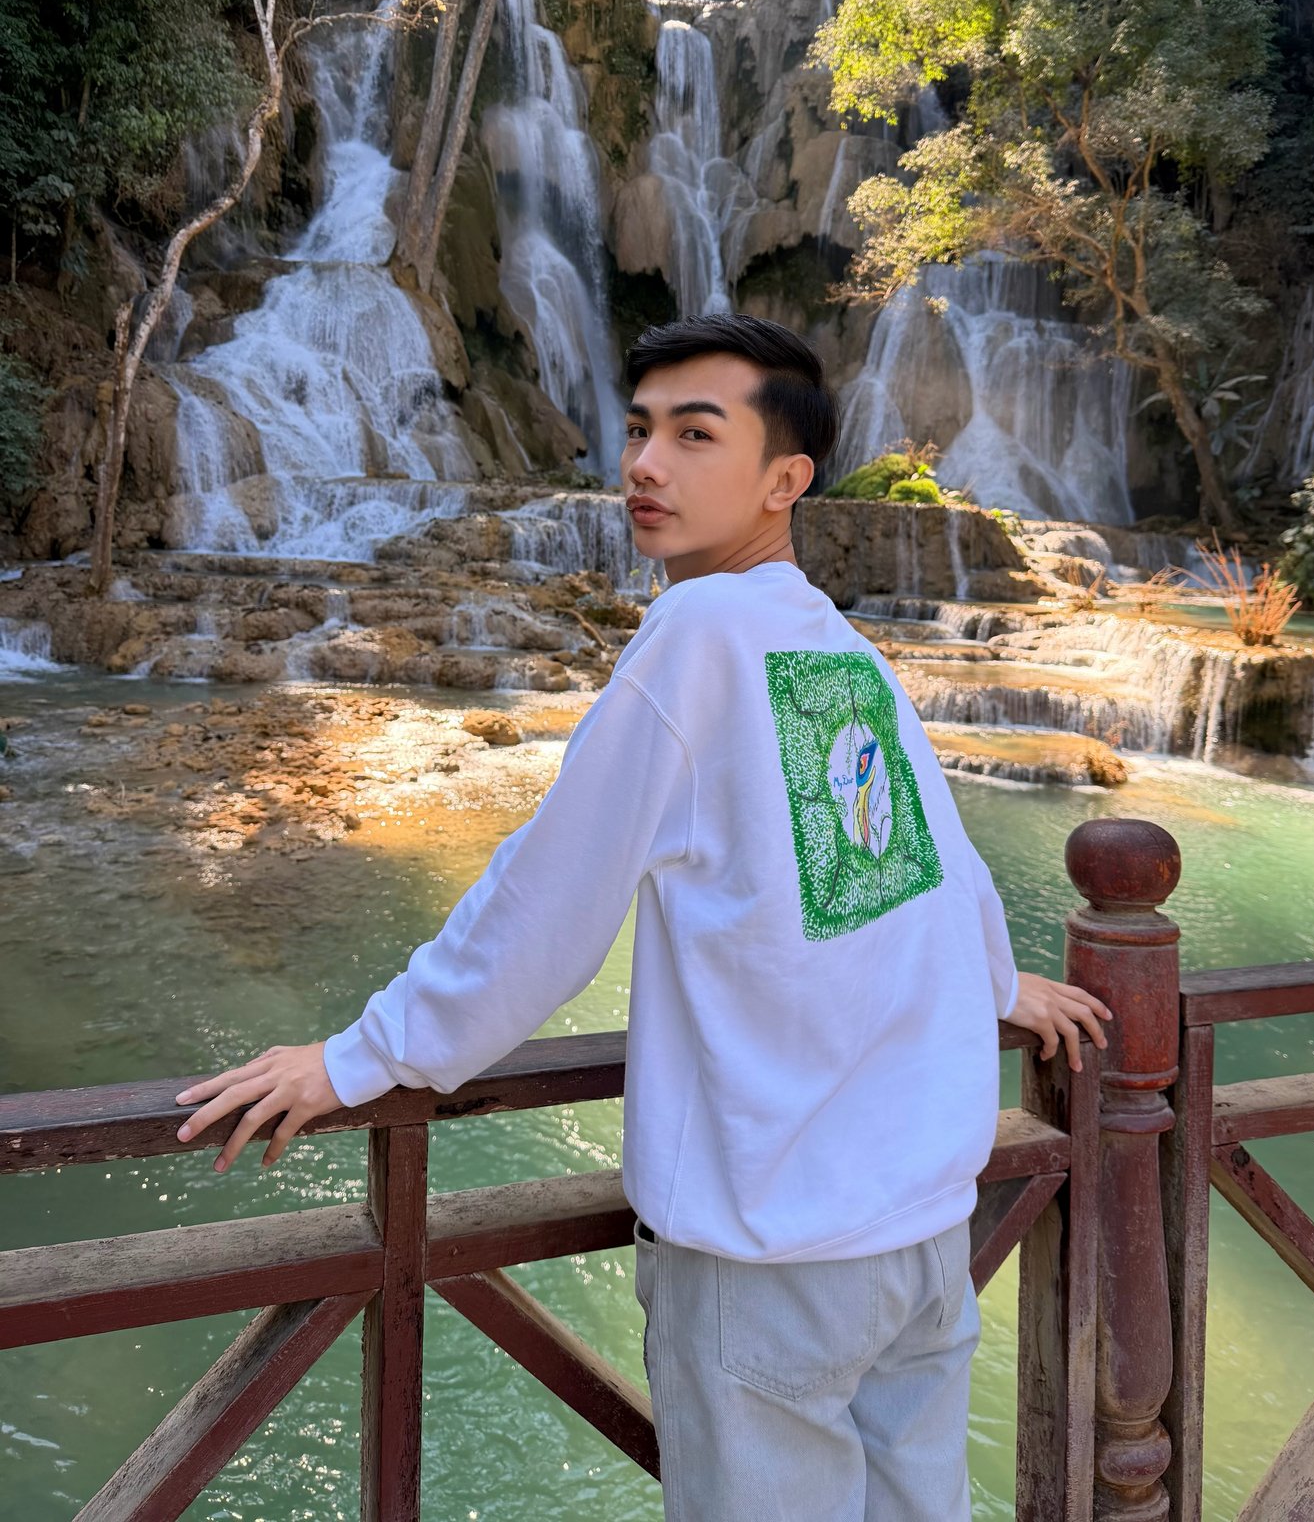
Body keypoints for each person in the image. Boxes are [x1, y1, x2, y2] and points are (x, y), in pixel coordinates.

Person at [175, 312, 1110, 1520]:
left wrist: (361, 1059)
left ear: (785, 480)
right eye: (638, 431)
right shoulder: (838, 647)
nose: (644, 466)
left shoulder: (697, 637)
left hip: (774, 1256)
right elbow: (931, 861)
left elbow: (546, 904)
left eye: (694, 435)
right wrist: (999, 984)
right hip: (919, 1241)